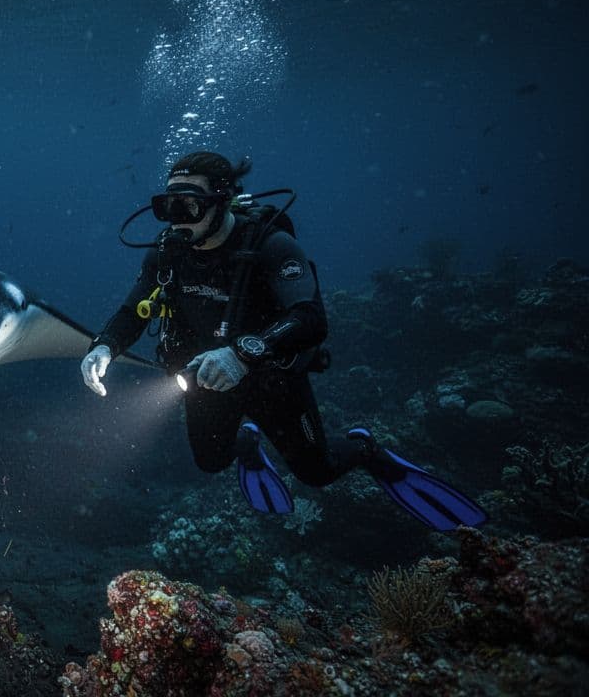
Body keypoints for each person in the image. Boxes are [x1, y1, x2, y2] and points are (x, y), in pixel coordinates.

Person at [79, 151, 486, 531]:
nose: (175, 220)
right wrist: (104, 346)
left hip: (273, 382)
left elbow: (310, 318)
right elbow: (134, 309)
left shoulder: (271, 246)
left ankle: (364, 449)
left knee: (317, 472)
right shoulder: (166, 256)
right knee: (209, 462)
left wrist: (242, 353)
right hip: (206, 382)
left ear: (222, 201)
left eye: (189, 206)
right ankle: (249, 441)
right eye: (167, 207)